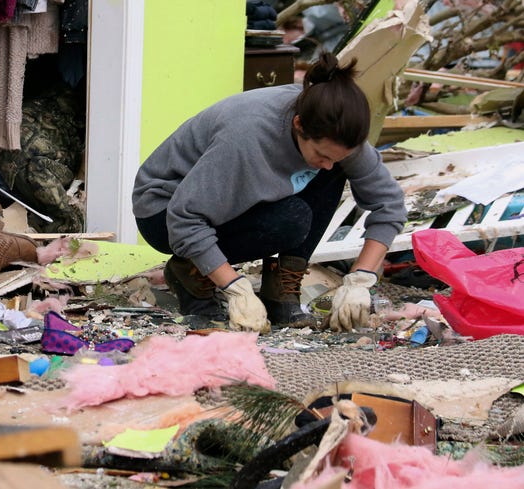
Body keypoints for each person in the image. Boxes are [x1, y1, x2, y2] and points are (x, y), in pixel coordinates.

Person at [132, 52, 407, 332]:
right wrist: (235, 288)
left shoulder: (337, 134)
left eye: (336, 156)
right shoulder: (246, 139)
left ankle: (281, 292)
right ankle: (190, 273)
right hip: (163, 211)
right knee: (291, 219)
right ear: (298, 125)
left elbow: (390, 205)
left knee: (327, 176)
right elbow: (184, 218)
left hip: (210, 205)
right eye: (322, 154)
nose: (327, 164)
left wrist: (360, 278)